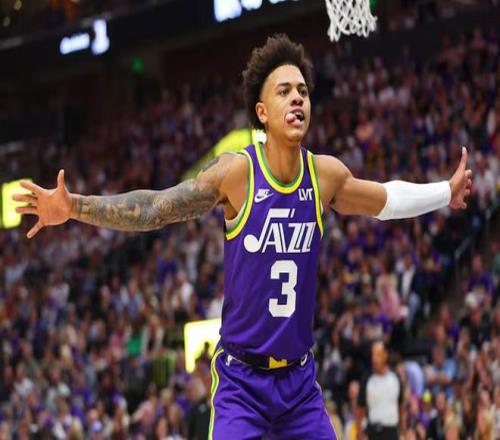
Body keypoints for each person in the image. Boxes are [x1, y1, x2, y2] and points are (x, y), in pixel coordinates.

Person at [13, 34, 472, 439]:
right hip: (241, 384)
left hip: (299, 384)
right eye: (284, 91)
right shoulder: (237, 174)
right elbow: (155, 208)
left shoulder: (325, 176)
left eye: (303, 91)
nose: (297, 99)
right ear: (262, 113)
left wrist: (444, 192)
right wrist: (75, 206)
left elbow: (386, 200)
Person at [356, 340, 404, 440]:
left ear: (385, 355)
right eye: (373, 354)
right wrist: (359, 435)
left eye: (378, 354)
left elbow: (401, 407)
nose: (374, 359)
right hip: (373, 432)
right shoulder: (366, 379)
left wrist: (403, 432)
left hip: (392, 432)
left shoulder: (395, 378)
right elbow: (360, 409)